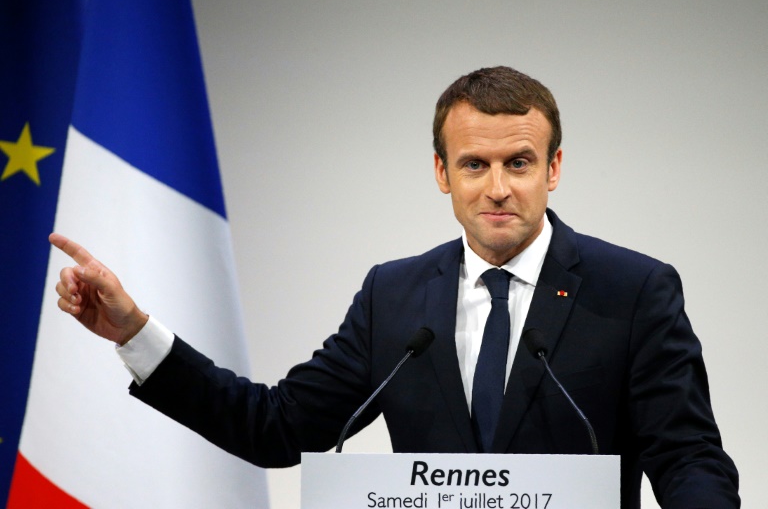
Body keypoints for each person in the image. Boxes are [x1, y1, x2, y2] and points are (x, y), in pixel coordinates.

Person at [51, 66, 739, 508]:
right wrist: (135, 333)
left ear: (553, 168)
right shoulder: (395, 296)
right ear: (443, 173)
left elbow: (687, 458)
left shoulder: (634, 290)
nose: (498, 188)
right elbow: (276, 427)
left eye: (519, 162)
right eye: (474, 164)